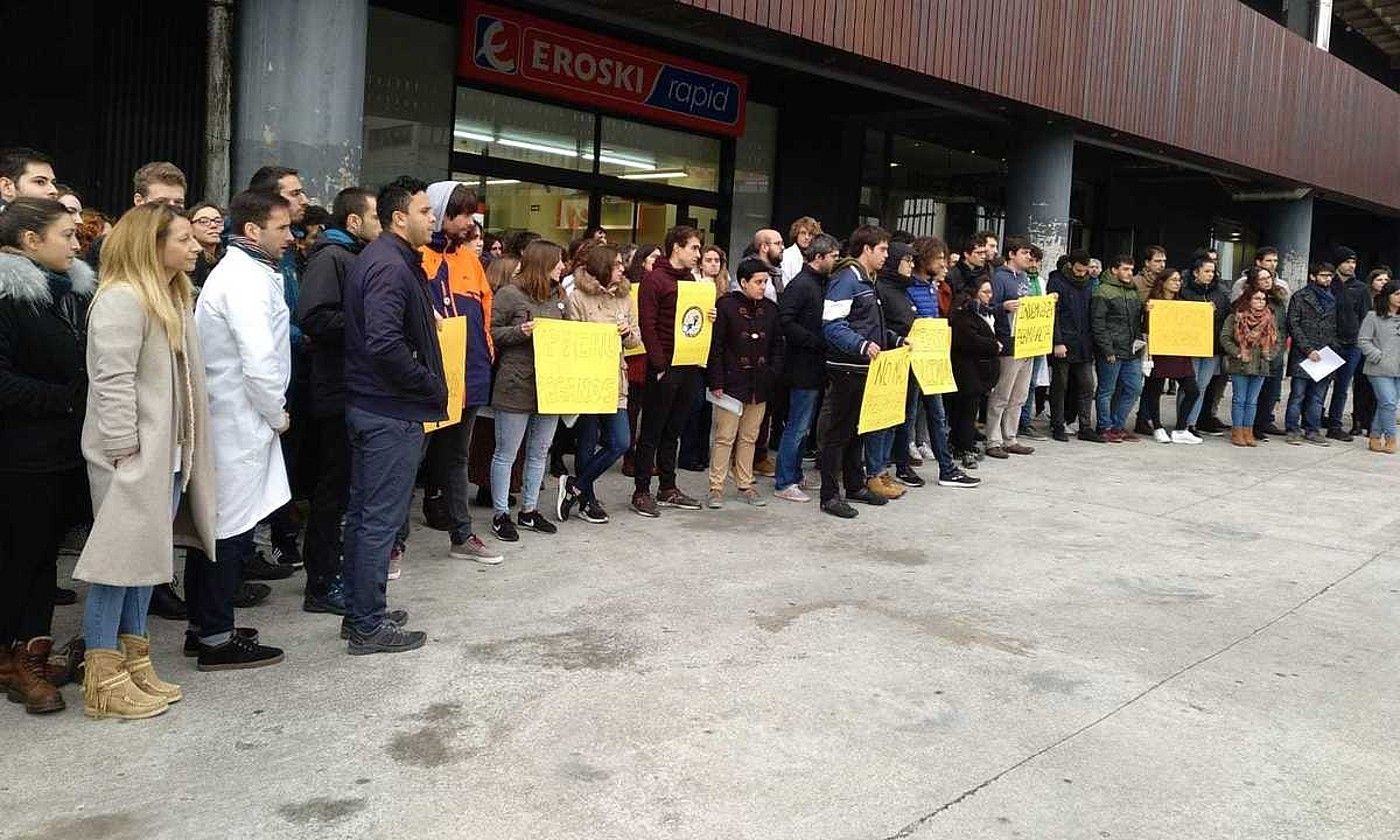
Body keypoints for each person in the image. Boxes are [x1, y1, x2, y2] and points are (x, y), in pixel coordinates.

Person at [75, 201, 220, 718]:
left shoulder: (172, 296)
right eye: (182, 238)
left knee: (146, 564)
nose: (194, 246)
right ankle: (103, 679)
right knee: (117, 565)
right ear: (152, 245)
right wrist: (124, 454)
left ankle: (136, 663)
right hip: (135, 459)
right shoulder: (121, 299)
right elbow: (110, 382)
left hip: (168, 456)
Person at [191, 190, 294, 670]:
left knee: (221, 527)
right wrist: (277, 414)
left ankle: (204, 626)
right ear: (252, 231)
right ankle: (216, 637)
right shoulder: (243, 280)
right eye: (282, 228)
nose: (291, 237)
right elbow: (258, 363)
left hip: (236, 417)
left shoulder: (246, 274)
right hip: (239, 419)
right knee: (228, 531)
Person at [341, 176, 442, 654]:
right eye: (424, 211)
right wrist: (426, 380)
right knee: (378, 521)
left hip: (377, 406)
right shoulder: (388, 266)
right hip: (388, 412)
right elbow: (383, 343)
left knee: (366, 518)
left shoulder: (388, 260)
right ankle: (366, 625)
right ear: (399, 217)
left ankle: (362, 612)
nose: (432, 218)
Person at [0, 199, 93, 714]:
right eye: (67, 235)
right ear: (31, 239)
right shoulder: (9, 293)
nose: (77, 244)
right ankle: (22, 663)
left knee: (38, 558)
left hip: (60, 449)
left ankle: (25, 652)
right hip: (20, 452)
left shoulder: (68, 291)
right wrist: (62, 399)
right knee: (23, 558)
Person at [295, 186, 381, 614]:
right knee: (332, 491)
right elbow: (314, 317)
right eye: (376, 217)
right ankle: (321, 583)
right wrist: (372, 321)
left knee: (346, 490)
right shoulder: (330, 257)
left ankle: (334, 575)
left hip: (351, 386)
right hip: (334, 391)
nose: (382, 226)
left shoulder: (352, 256)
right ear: (353, 221)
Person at [418, 181, 501, 564]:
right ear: (440, 212)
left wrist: (485, 366)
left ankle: (462, 535)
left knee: (456, 458)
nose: (472, 222)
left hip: (469, 378)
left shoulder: (470, 262)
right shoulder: (416, 257)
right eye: (464, 213)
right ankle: (394, 544)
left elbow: (484, 321)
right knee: (410, 460)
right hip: (424, 379)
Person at [815, 224, 903, 518]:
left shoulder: (867, 280)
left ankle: (854, 485)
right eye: (882, 250)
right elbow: (832, 325)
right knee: (837, 433)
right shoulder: (846, 279)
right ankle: (829, 495)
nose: (886, 256)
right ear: (866, 249)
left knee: (857, 431)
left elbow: (869, 324)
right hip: (847, 368)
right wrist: (862, 346)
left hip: (864, 367)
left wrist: (895, 340)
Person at [881, 235, 981, 489]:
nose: (942, 264)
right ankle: (903, 465)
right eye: (938, 258)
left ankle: (945, 468)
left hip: (931, 358)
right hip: (913, 357)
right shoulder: (908, 287)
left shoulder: (929, 286)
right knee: (908, 414)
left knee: (936, 414)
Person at [488, 240, 570, 541]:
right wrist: (518, 332)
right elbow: (490, 332)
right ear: (543, 263)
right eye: (558, 261)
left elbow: (572, 333)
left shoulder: (560, 297)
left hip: (549, 386)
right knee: (507, 452)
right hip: (515, 383)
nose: (563, 267)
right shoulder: (509, 294)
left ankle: (529, 510)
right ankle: (500, 513)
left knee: (539, 452)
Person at [559, 244, 639, 524]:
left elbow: (636, 339)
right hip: (588, 377)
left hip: (616, 377)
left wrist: (628, 332)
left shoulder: (626, 297)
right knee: (587, 441)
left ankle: (575, 485)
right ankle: (587, 500)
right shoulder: (578, 297)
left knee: (621, 441)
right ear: (603, 267)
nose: (622, 269)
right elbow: (571, 338)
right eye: (617, 264)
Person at [631, 226, 707, 517]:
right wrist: (660, 365)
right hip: (664, 367)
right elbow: (647, 326)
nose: (697, 255)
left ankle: (667, 486)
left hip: (687, 364)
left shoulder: (690, 280)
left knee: (673, 429)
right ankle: (641, 490)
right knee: (652, 429)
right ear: (677, 247)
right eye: (694, 248)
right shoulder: (654, 280)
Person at [706, 259, 783, 508]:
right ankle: (716, 486)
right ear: (743, 283)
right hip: (731, 382)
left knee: (750, 436)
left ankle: (745, 483)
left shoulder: (771, 309)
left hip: (759, 383)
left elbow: (777, 347)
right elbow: (716, 347)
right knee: (724, 436)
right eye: (758, 282)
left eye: (765, 282)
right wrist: (716, 380)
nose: (763, 287)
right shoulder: (726, 306)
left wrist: (772, 374)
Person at [774, 233, 838, 502]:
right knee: (797, 425)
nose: (836, 261)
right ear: (818, 257)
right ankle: (785, 480)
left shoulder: (820, 283)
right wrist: (814, 341)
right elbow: (785, 321)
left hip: (815, 366)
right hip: (801, 366)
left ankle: (795, 473)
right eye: (833, 257)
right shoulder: (801, 285)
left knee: (805, 426)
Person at [984, 236, 1037, 458]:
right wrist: (1003, 307)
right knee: (1002, 394)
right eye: (1024, 252)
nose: (1029, 257)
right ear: (1012, 254)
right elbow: (988, 305)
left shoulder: (1026, 277)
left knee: (1020, 395)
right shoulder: (999, 278)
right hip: (1008, 342)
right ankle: (993, 439)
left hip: (1028, 342)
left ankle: (1011, 437)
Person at [87, 162, 189, 272]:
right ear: (139, 201)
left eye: (178, 203)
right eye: (161, 202)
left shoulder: (190, 247)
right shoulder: (108, 246)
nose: (171, 208)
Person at [1140, 269, 1203, 444]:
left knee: (1193, 390)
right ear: (1163, 282)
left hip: (1179, 351)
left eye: (1179, 280)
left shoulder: (1182, 303)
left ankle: (1180, 428)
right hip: (1159, 351)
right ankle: (1158, 427)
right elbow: (1145, 329)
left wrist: (1206, 311)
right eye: (1174, 280)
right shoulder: (1152, 303)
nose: (1178, 283)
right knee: (1154, 389)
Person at [1047, 250, 1101, 442]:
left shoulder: (1090, 284)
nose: (1081, 274)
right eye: (1078, 270)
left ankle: (1085, 426)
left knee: (1087, 384)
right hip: (1065, 341)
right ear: (1071, 265)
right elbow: (1054, 314)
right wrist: (1057, 341)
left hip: (1084, 343)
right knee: (1060, 386)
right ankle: (1058, 424)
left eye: (1084, 270)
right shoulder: (1057, 282)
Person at [1091, 254, 1146, 442]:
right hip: (1112, 350)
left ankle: (1117, 425)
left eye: (1131, 269)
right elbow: (1098, 323)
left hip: (1131, 350)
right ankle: (1105, 426)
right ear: (1114, 270)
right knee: (1107, 390)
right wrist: (1107, 350)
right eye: (1125, 269)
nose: (1129, 273)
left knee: (1134, 388)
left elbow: (1137, 320)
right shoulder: (1102, 291)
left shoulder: (1132, 290)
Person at [1285, 263, 1340, 446]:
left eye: (1330, 275)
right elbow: (1293, 324)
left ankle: (1312, 429)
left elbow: (1336, 326)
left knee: (1318, 396)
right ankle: (1292, 429)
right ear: (1312, 276)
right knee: (1298, 394)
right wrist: (1308, 349)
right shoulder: (1300, 296)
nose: (1327, 279)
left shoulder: (1333, 298)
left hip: (1325, 354)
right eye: (1323, 275)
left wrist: (1331, 349)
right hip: (1304, 353)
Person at [1220, 286, 1281, 447]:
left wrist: (1269, 355)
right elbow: (1225, 337)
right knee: (1240, 399)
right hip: (1241, 363)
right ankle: (1237, 431)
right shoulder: (1236, 317)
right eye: (1256, 299)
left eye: (1263, 299)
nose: (1260, 302)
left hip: (1260, 364)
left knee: (1252, 400)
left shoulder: (1269, 318)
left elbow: (1277, 341)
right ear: (1248, 300)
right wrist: (1238, 353)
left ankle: (1248, 430)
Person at [949, 278, 1001, 469]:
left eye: (990, 292)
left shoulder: (985, 313)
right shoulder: (964, 316)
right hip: (967, 372)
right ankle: (963, 446)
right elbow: (970, 340)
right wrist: (993, 345)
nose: (989, 296)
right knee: (965, 412)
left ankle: (962, 442)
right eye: (985, 292)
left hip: (978, 372)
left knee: (969, 411)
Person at [1178, 256, 1230, 436]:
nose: (1210, 275)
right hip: (1191, 345)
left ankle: (1192, 423)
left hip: (1212, 347)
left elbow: (1225, 319)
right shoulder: (1184, 292)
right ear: (1195, 272)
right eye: (1206, 271)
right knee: (1189, 386)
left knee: (1202, 386)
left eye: (1212, 271)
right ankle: (1182, 422)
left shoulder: (1220, 293)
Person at [621, 244, 659, 477]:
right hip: (635, 355)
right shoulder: (631, 286)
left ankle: (644, 456)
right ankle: (629, 456)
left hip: (654, 353)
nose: (657, 261)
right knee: (632, 409)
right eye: (653, 257)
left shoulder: (662, 284)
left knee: (652, 410)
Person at [1325, 246, 1368, 441]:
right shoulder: (1327, 283)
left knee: (1342, 388)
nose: (1351, 266)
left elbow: (1366, 316)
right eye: (1347, 262)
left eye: (1353, 262)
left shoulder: (1360, 288)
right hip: (1327, 342)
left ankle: (1335, 425)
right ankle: (1312, 420)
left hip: (1352, 345)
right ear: (1338, 264)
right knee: (1320, 385)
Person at [1358, 279, 1400, 454]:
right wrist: (1377, 356)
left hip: (1398, 369)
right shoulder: (1373, 316)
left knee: (1386, 404)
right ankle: (1391, 437)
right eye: (1397, 294)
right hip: (1379, 368)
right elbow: (1363, 340)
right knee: (1389, 402)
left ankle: (1374, 436)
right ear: (1387, 296)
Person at [1351, 267, 1394, 438]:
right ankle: (1358, 421)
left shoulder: (1392, 302)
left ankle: (1371, 424)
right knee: (1360, 386)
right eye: (1379, 280)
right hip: (1365, 348)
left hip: (1385, 352)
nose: (1383, 283)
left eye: (1386, 280)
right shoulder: (1365, 298)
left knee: (1379, 391)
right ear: (1372, 281)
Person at [946, 230, 997, 298]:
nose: (983, 256)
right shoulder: (952, 275)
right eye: (979, 253)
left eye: (984, 252)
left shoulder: (987, 272)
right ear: (966, 254)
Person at [186, 201, 225, 287]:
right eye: (203, 221)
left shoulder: (228, 258)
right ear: (190, 227)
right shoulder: (187, 259)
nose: (213, 225)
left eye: (218, 221)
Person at [780, 217, 821, 287]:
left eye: (810, 234)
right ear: (796, 235)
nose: (807, 237)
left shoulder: (815, 257)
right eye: (803, 233)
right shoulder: (787, 255)